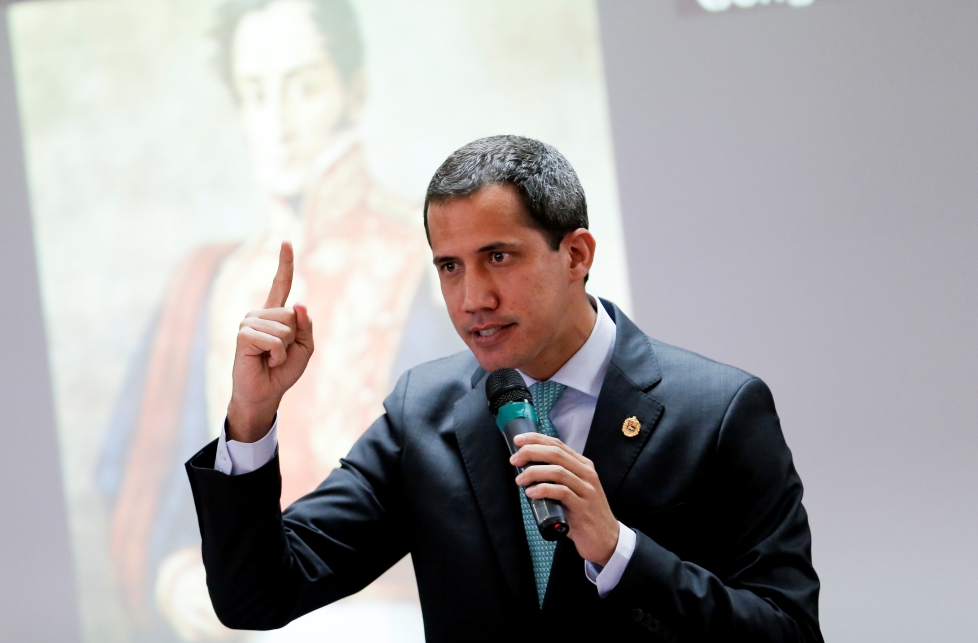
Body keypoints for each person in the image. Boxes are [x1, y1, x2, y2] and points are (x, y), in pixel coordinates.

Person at [186, 135, 823, 641]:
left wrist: (618, 551)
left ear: (576, 255)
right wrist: (251, 415)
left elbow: (787, 632)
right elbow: (258, 597)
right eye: (449, 267)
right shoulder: (423, 412)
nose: (472, 300)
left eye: (498, 257)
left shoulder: (718, 411)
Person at [97, 0, 460, 641]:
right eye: (255, 94)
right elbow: (144, 487)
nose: (277, 122)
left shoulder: (435, 259)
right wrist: (178, 582)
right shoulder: (206, 283)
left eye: (304, 87)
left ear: (354, 89)